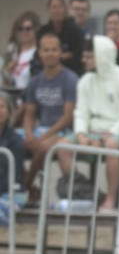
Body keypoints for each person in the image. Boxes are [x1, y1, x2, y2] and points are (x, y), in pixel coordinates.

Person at [56, 36, 119, 211]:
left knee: (111, 146)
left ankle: (110, 200)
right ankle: (83, 192)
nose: (84, 60)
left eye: (89, 56)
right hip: (94, 131)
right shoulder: (85, 80)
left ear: (101, 56)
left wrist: (105, 138)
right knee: (62, 146)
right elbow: (81, 112)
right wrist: (80, 134)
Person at [22, 33, 78, 197]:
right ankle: (31, 188)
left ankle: (26, 185)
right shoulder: (35, 81)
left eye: (54, 49)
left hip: (63, 131)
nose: (50, 53)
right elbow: (29, 114)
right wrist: (30, 134)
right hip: (41, 129)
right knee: (12, 142)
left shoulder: (70, 79)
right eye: (46, 50)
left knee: (45, 146)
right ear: (39, 53)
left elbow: (68, 117)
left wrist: (43, 136)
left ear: (61, 53)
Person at [36, 0, 84, 76]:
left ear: (65, 9)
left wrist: (53, 57)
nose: (56, 11)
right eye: (53, 7)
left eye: (60, 7)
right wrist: (62, 56)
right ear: (48, 10)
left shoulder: (75, 31)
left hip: (72, 74)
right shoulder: (42, 31)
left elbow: (78, 56)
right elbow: (39, 56)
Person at [3, 11, 40, 89]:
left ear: (35, 31)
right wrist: (7, 72)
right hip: (15, 96)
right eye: (20, 29)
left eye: (28, 29)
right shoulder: (14, 54)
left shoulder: (39, 53)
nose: (24, 32)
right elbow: (8, 81)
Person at [0, 92, 25, 198]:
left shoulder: (15, 141)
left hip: (10, 193)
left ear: (9, 112)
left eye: (2, 107)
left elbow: (12, 178)